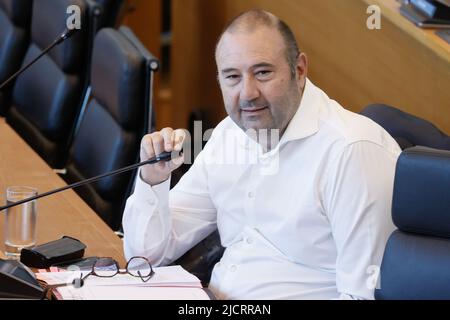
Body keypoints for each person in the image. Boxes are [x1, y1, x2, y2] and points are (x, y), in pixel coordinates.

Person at [122, 10, 401, 300]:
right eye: (232, 77)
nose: (247, 93)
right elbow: (146, 257)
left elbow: (363, 295)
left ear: (300, 69)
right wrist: (153, 180)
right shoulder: (229, 133)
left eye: (263, 72)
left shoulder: (351, 152)